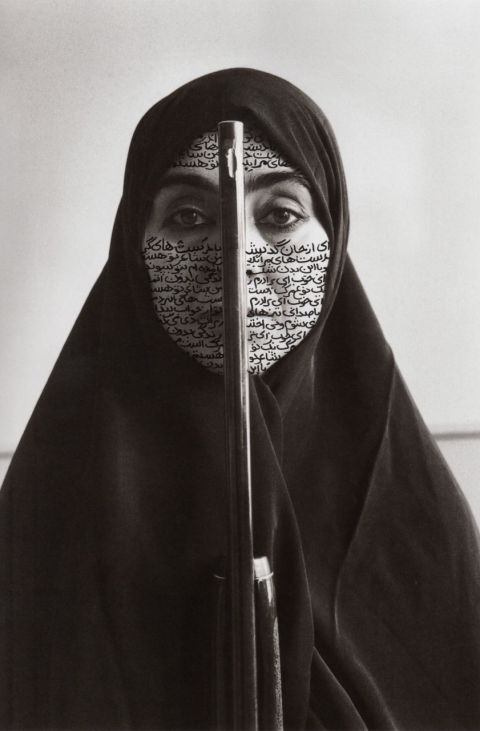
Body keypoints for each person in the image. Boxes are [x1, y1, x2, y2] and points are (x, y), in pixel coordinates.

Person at [1, 68, 479, 730]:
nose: (237, 255)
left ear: (332, 236)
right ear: (136, 246)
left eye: (280, 214)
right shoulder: (50, 506)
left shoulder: (409, 514)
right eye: (189, 216)